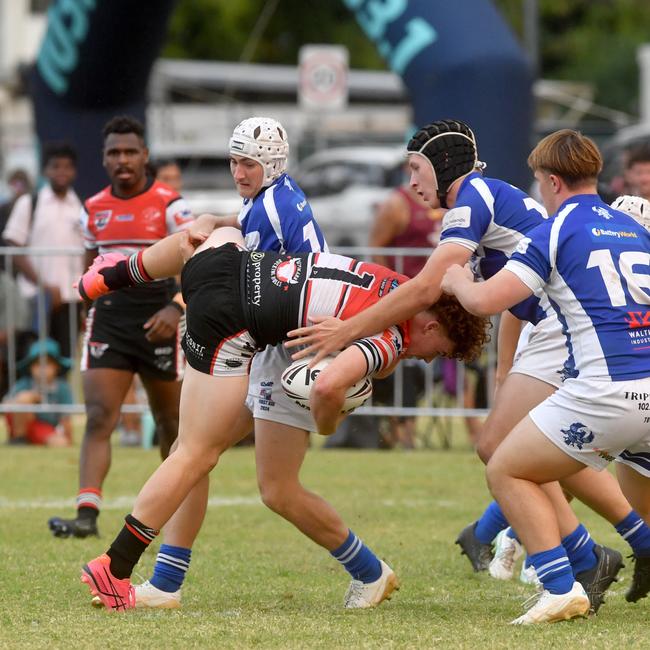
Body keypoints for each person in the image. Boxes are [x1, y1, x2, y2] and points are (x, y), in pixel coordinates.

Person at [285, 119, 644, 613]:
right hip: (560, 333)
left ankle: (587, 559)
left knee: (507, 452)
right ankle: (600, 551)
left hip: (565, 333)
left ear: (443, 166)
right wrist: (502, 372)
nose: (411, 182)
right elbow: (517, 298)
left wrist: (348, 331)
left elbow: (430, 287)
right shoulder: (492, 201)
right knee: (526, 447)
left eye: (416, 169)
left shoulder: (473, 196)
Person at [77, 222, 489, 611]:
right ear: (433, 326)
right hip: (231, 323)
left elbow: (219, 231)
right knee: (199, 456)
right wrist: (329, 422)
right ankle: (115, 567)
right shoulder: (393, 337)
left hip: (220, 262)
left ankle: (117, 274)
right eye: (441, 351)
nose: (431, 360)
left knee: (214, 234)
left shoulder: (395, 284)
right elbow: (328, 387)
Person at [95, 116, 417, 611]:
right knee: (199, 454)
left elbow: (255, 287)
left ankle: (369, 571)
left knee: (257, 480)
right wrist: (215, 222)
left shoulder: (271, 207)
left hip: (284, 349)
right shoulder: (272, 198)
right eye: (234, 161)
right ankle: (165, 583)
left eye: (248, 163)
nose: (238, 171)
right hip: (273, 344)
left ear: (270, 164)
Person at [440, 129, 650, 624]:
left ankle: (559, 586)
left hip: (605, 390)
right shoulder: (634, 228)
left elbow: (488, 301)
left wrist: (455, 279)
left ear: (552, 181)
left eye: (538, 182)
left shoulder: (554, 230)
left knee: (505, 467)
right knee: (639, 494)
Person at [47, 116, 194, 539]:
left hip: (158, 319)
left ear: (145, 156)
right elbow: (90, 264)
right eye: (114, 153)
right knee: (98, 417)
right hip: (109, 319)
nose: (123, 159)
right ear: (105, 159)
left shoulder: (170, 205)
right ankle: (86, 516)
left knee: (170, 421)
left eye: (131, 152)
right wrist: (85, 308)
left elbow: (195, 264)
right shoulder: (92, 209)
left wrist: (176, 307)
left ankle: (173, 510)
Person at [367, 179, 441, 448]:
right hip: (409, 305)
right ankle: (403, 436)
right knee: (401, 365)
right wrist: (395, 291)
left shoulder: (454, 199)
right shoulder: (397, 203)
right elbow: (375, 248)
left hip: (445, 306)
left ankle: (479, 434)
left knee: (463, 372)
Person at [2, 143, 83, 359]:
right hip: (35, 298)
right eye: (56, 166)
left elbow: (88, 253)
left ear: (74, 171)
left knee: (66, 359)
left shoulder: (82, 208)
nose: (61, 172)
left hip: (71, 299)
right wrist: (44, 286)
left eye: (67, 167)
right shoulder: (30, 203)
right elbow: (13, 244)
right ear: (45, 170)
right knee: (33, 360)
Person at [4, 338, 73, 446]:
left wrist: (67, 437)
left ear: (56, 367)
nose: (42, 369)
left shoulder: (62, 388)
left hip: (44, 427)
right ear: (31, 367)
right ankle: (18, 439)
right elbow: (5, 405)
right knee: (24, 398)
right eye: (37, 364)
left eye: (47, 364)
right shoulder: (24, 384)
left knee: (60, 443)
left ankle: (31, 439)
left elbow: (66, 418)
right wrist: (28, 398)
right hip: (22, 424)